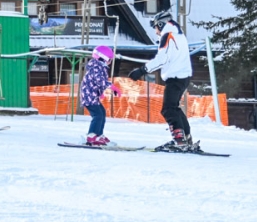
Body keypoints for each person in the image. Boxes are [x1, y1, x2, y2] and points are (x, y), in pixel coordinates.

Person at [128, 10, 194, 150]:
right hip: (183, 76)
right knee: (174, 107)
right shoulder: (179, 35)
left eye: (155, 27)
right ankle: (186, 139)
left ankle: (179, 142)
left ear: (161, 24)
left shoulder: (167, 36)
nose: (156, 32)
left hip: (175, 77)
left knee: (168, 109)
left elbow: (162, 59)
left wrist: (142, 70)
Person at [80, 45, 122, 145]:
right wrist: (113, 87)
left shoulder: (99, 67)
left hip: (92, 95)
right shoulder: (96, 67)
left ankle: (98, 135)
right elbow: (100, 81)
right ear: (102, 58)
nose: (110, 62)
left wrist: (100, 93)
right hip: (89, 96)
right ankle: (91, 136)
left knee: (102, 112)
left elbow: (96, 82)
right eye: (110, 59)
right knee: (97, 115)